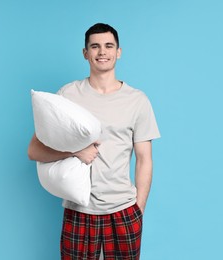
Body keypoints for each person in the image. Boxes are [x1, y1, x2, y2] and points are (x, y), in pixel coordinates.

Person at [28, 23, 160, 260]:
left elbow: (144, 160)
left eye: (109, 46)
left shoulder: (138, 101)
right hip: (79, 209)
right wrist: (76, 151)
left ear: (118, 51)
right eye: (95, 46)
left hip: (123, 211)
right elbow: (34, 150)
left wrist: (139, 209)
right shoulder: (68, 95)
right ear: (85, 53)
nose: (102, 52)